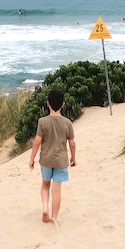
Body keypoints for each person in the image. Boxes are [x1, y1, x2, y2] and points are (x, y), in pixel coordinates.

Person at [28, 88, 76, 223]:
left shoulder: (42, 121)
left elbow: (37, 141)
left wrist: (32, 159)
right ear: (63, 104)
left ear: (47, 103)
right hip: (61, 161)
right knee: (56, 191)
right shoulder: (67, 123)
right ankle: (54, 217)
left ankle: (45, 209)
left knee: (45, 185)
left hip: (46, 159)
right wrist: (73, 158)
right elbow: (72, 143)